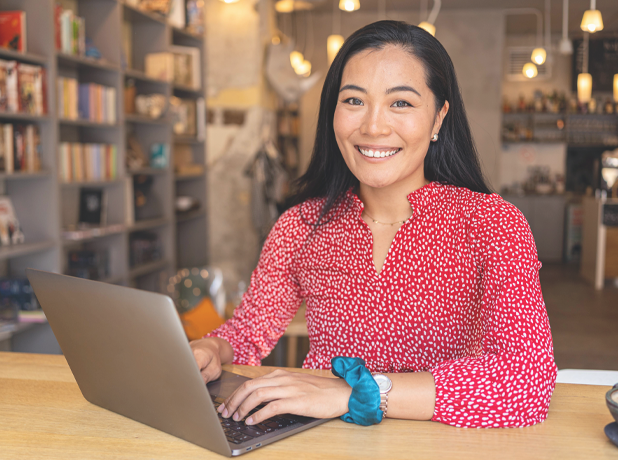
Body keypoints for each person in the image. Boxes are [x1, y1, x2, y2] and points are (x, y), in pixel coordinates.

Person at [190, 20, 557, 429]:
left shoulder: (492, 224)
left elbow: (527, 381)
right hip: (320, 442)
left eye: (401, 103)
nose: (373, 127)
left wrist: (357, 392)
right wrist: (212, 347)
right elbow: (246, 333)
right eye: (353, 101)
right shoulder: (300, 226)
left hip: (443, 446)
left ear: (438, 118)